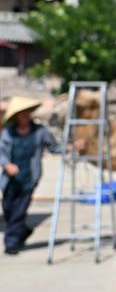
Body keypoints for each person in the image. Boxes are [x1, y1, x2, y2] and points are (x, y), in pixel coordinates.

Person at [0, 97, 66, 255]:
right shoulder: (8, 132)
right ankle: (23, 231)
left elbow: (54, 147)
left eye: (27, 112)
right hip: (9, 180)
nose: (25, 115)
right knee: (8, 209)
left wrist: (70, 148)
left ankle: (11, 244)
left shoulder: (40, 131)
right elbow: (1, 152)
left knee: (19, 211)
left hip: (29, 178)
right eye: (21, 113)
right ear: (16, 115)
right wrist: (7, 165)